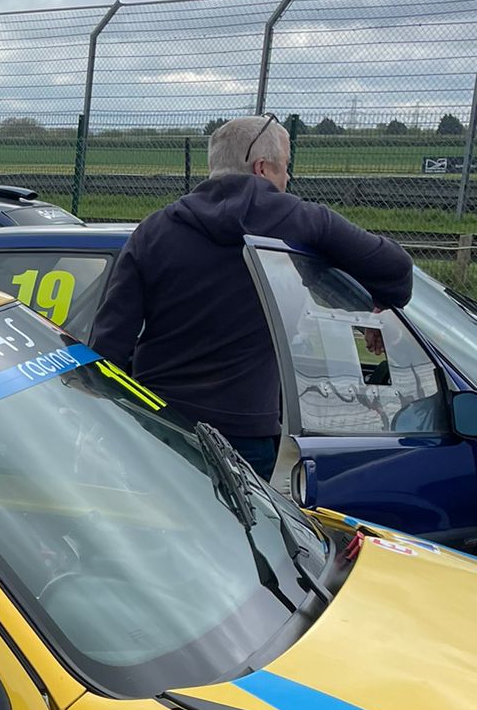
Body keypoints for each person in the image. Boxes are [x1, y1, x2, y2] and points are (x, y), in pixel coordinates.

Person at [89, 113, 412, 478]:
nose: (287, 179)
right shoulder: (301, 220)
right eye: (285, 167)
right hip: (246, 433)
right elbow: (395, 266)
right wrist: (381, 305)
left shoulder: (153, 231)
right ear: (261, 167)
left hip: (159, 425)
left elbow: (108, 346)